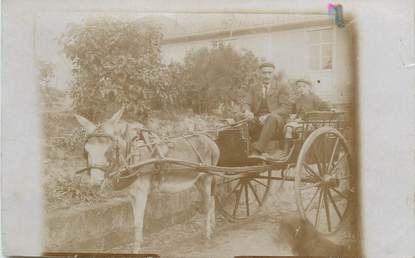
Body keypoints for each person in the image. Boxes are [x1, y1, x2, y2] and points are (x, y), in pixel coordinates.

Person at [243, 62, 291, 157]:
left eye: (269, 73)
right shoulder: (254, 88)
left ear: (273, 74)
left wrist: (268, 115)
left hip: (277, 120)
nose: (267, 76)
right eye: (264, 73)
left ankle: (257, 151)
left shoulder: (281, 87)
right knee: (239, 118)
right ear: (260, 74)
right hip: (258, 119)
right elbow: (247, 103)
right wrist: (247, 111)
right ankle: (241, 150)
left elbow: (285, 108)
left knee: (272, 118)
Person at [282, 79, 331, 155]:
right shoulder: (298, 99)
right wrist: (293, 117)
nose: (301, 88)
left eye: (304, 86)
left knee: (300, 130)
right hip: (301, 122)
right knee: (288, 128)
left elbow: (325, 107)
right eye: (299, 87)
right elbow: (295, 112)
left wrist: (329, 108)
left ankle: (301, 152)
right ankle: (286, 152)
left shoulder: (314, 98)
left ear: (309, 88)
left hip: (312, 123)